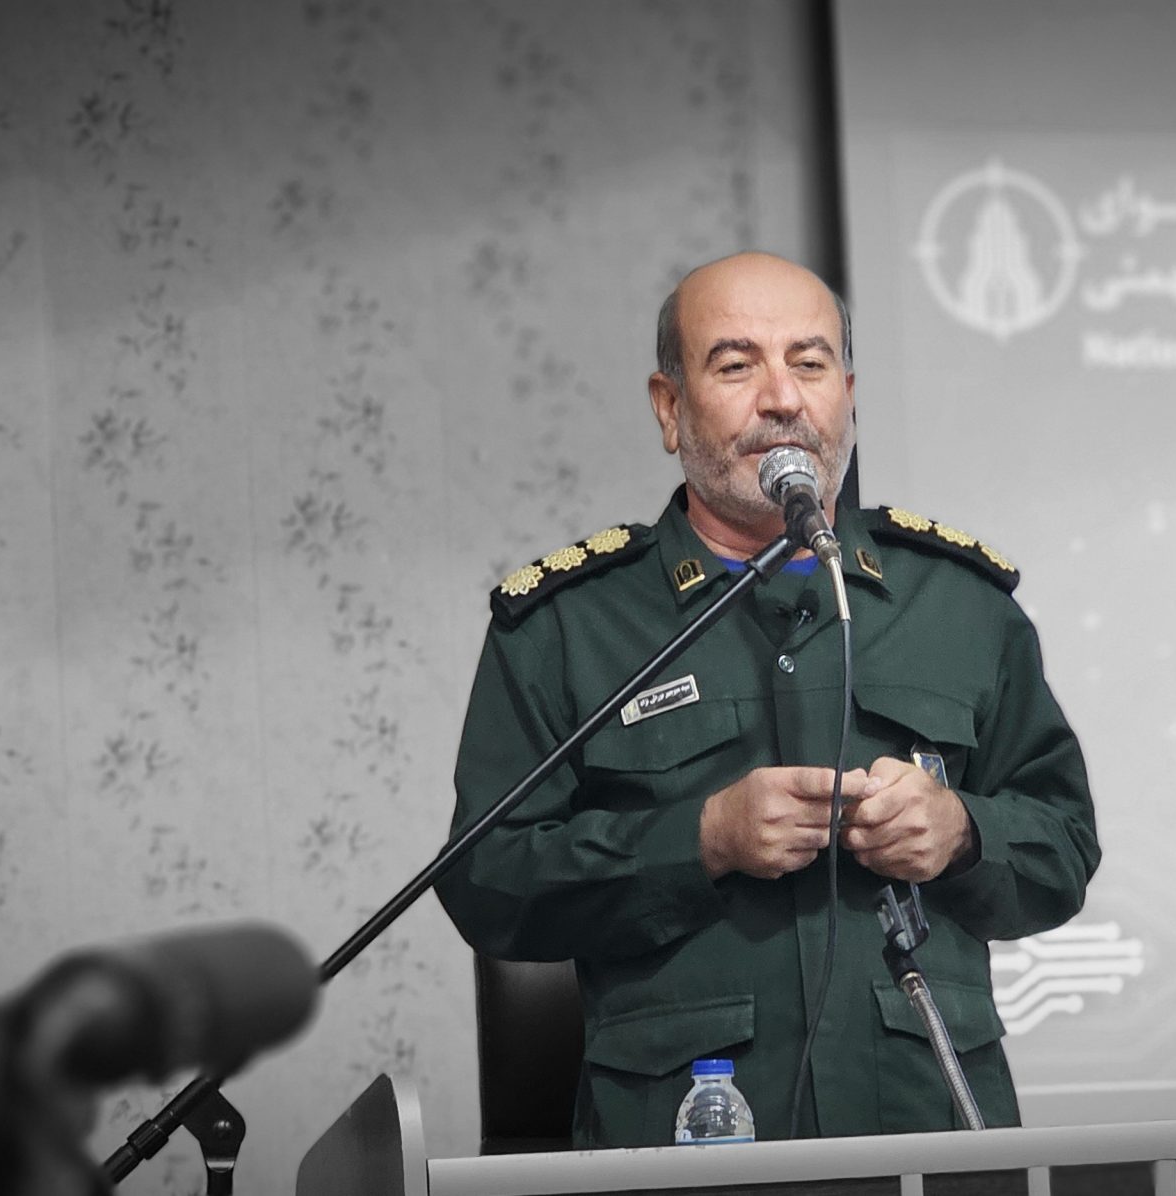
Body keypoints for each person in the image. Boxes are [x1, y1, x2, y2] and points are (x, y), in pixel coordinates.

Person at [436, 252, 1098, 1148]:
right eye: (736, 364)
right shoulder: (568, 625)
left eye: (810, 363)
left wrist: (962, 831)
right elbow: (487, 880)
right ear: (670, 408)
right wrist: (700, 840)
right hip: (681, 1140)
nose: (782, 398)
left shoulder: (959, 604)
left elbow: (1064, 845)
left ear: (848, 398)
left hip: (926, 1130)